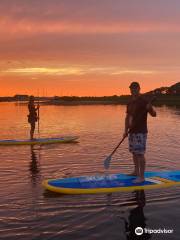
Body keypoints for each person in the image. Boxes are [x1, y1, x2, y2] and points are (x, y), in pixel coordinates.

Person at [123, 82, 156, 183]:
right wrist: (125, 130)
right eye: (131, 89)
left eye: (135, 88)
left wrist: (149, 108)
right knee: (134, 152)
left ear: (139, 89)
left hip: (140, 132)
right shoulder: (130, 102)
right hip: (132, 131)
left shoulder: (143, 101)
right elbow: (127, 117)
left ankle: (141, 177)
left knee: (140, 154)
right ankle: (136, 172)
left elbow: (154, 114)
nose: (133, 90)